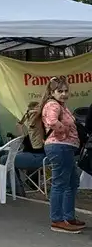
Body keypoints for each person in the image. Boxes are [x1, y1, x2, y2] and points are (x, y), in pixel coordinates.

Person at [37, 76, 84, 233]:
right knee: (60, 183)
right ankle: (57, 220)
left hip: (65, 148)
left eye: (66, 91)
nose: (64, 94)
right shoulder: (53, 105)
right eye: (60, 91)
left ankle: (68, 217)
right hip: (60, 147)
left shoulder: (61, 106)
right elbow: (51, 122)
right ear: (52, 91)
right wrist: (64, 131)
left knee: (72, 182)